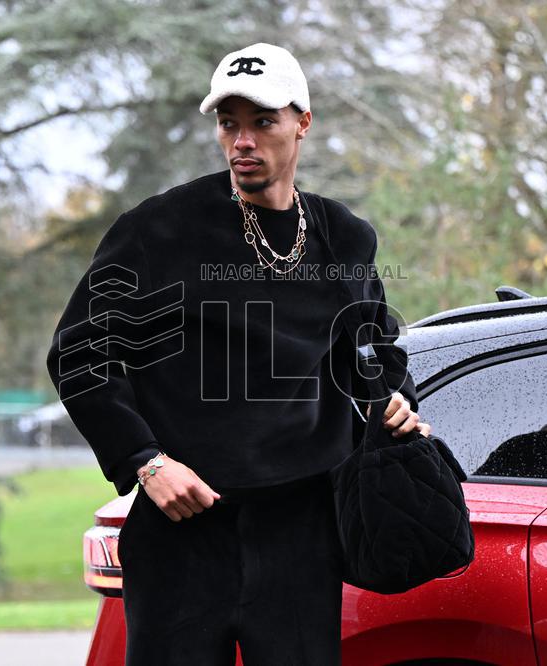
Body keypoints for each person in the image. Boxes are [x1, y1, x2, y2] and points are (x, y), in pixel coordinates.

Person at [46, 42, 430, 666]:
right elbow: (80, 354)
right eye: (229, 124)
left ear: (302, 123)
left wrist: (391, 402)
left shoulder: (344, 236)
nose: (242, 141)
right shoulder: (158, 230)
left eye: (262, 122)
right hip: (184, 530)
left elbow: (370, 350)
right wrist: (145, 461)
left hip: (301, 532)